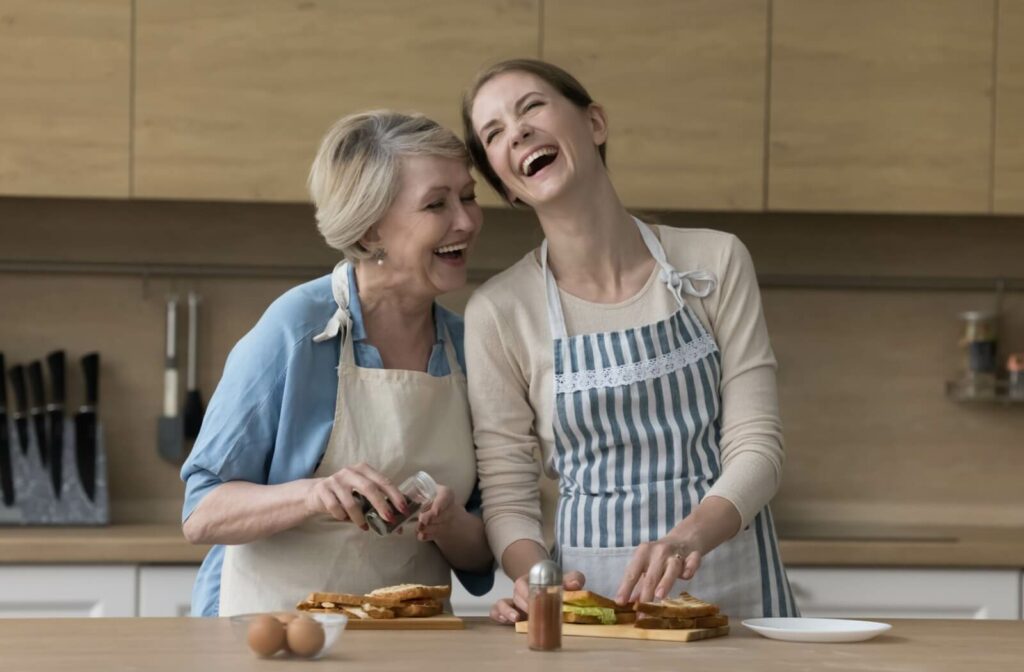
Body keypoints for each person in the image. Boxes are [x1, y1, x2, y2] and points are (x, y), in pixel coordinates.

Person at [460, 60, 797, 622]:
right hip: (590, 603)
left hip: (734, 596)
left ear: (594, 123)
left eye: (531, 107)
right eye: (493, 133)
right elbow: (508, 494)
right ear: (505, 185)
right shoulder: (498, 311)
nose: (515, 131)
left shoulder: (715, 261)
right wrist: (538, 582)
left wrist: (688, 538)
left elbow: (758, 446)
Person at [180, 110, 493, 616]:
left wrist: (452, 523)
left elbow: (482, 558)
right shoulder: (297, 330)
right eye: (437, 203)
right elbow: (202, 513)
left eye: (469, 196)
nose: (466, 220)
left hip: (414, 645)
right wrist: (312, 495)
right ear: (371, 232)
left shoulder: (470, 347)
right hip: (272, 635)